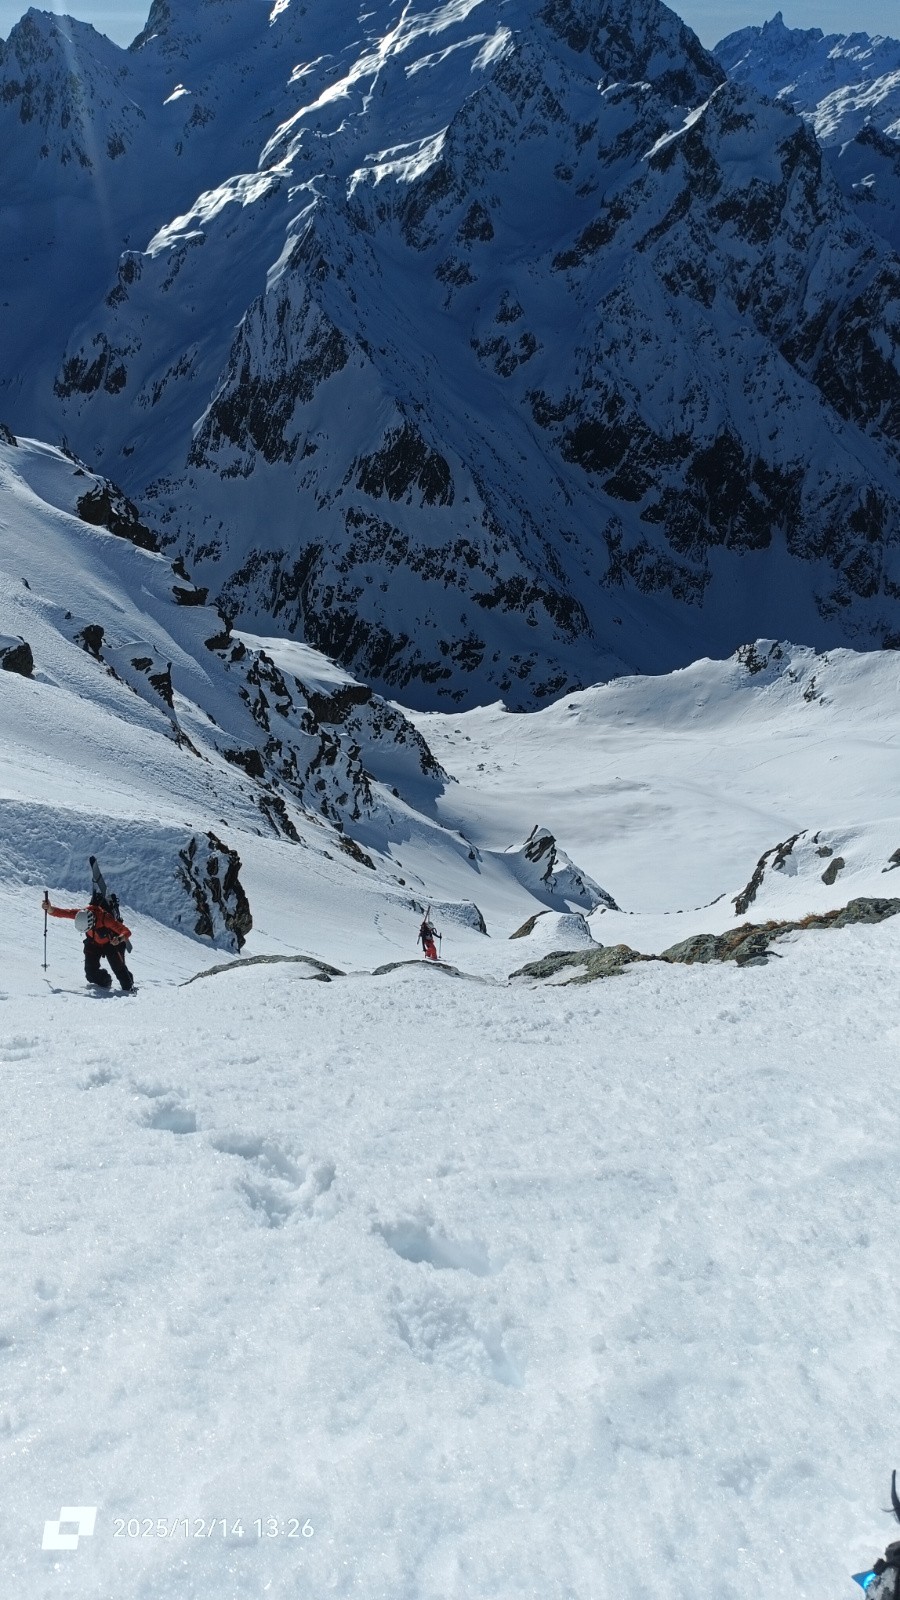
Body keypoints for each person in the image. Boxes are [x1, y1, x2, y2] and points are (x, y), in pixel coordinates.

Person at [42, 892, 135, 991]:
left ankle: (129, 987)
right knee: (90, 973)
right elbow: (64, 913)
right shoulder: (81, 913)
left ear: (93, 921)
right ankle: (106, 981)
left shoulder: (105, 918)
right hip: (93, 943)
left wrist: (119, 939)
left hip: (111, 943)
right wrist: (49, 908)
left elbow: (126, 931)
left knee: (119, 970)